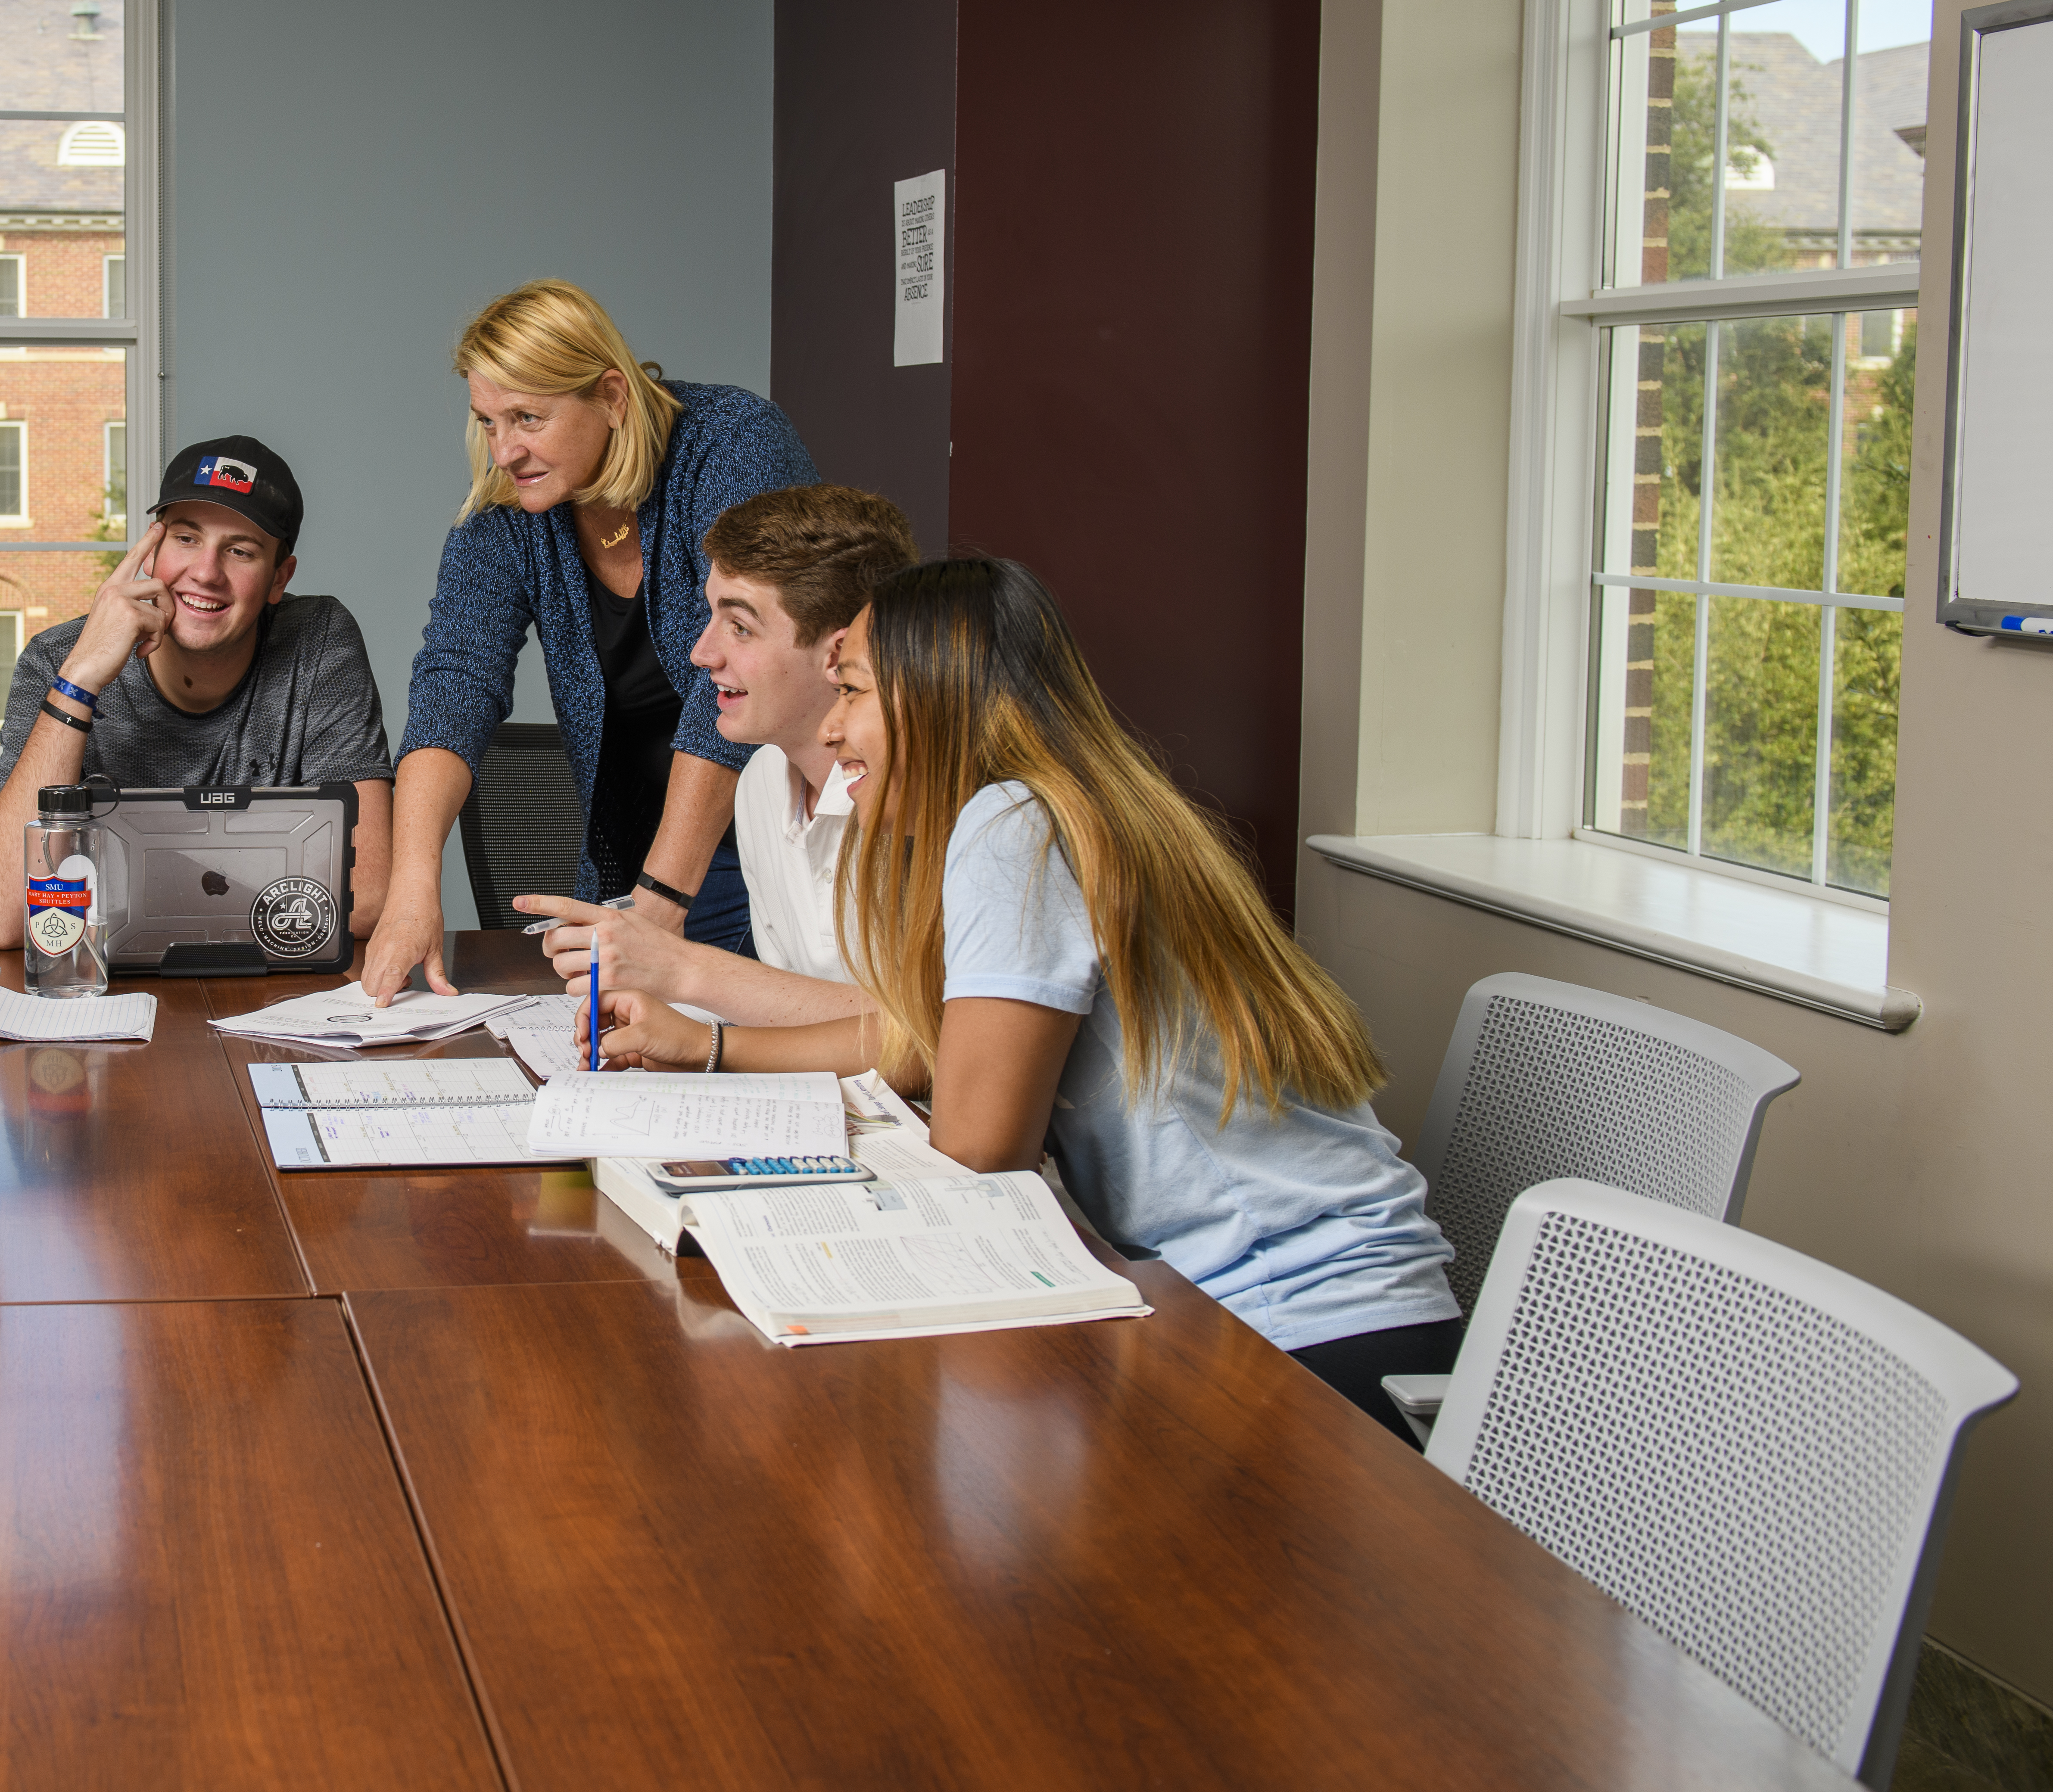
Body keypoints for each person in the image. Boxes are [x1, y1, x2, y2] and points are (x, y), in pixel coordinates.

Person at [591, 557, 1461, 1440]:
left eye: (852, 692)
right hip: (1330, 1312)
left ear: (932, 700)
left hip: (1304, 1336)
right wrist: (710, 1051)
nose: (839, 726)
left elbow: (976, 1149)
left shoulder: (1013, 828)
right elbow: (923, 1046)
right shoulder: (1062, 804)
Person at [359, 280, 817, 1002]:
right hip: (632, 847)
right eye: (486, 421)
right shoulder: (510, 511)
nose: (504, 450)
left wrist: (661, 901)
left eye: (526, 418)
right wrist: (413, 886)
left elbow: (735, 673)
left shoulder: (733, 445)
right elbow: (455, 681)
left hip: (769, 834)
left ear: (610, 395)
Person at [0, 436, 396, 949]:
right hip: (110, 994)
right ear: (151, 552)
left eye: (240, 551)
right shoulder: (57, 658)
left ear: (279, 578)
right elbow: (0, 917)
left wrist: (115, 896)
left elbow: (367, 897)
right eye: (186, 539)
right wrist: (78, 680)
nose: (206, 573)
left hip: (266, 994)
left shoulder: (318, 641)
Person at [527, 485, 916, 1026]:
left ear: (837, 653)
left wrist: (684, 972)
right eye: (710, 617)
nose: (701, 653)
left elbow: (926, 1030)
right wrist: (681, 1038)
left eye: (739, 627)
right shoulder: (759, 780)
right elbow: (804, 1016)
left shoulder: (919, 796)